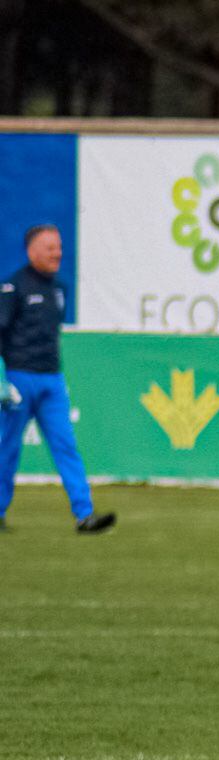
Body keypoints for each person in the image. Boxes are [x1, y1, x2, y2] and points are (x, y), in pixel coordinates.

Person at [0, 225, 114, 534]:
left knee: (67, 447)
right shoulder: (13, 288)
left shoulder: (59, 290)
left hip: (52, 382)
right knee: (7, 449)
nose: (57, 254)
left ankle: (84, 515)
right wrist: (1, 380)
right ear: (32, 251)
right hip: (18, 381)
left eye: (60, 247)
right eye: (50, 248)